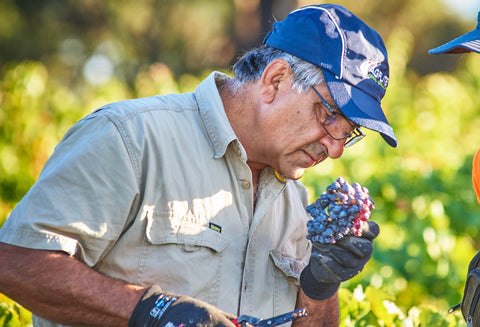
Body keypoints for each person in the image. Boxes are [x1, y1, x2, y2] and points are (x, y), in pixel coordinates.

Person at [0, 4, 396, 327]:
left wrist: (319, 285)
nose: (337, 147)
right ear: (275, 80)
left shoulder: (297, 201)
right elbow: (16, 262)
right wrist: (150, 311)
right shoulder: (130, 138)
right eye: (329, 115)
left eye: (349, 132)